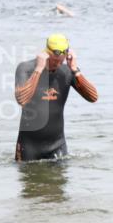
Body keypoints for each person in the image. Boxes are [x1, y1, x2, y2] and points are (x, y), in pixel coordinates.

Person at [14, 34, 98, 162]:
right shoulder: (26, 69)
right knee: (29, 181)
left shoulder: (67, 71)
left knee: (59, 181)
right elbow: (21, 100)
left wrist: (75, 70)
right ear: (46, 54)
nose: (58, 64)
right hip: (29, 146)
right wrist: (38, 69)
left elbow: (93, 97)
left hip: (57, 145)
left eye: (61, 61)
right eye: (54, 60)